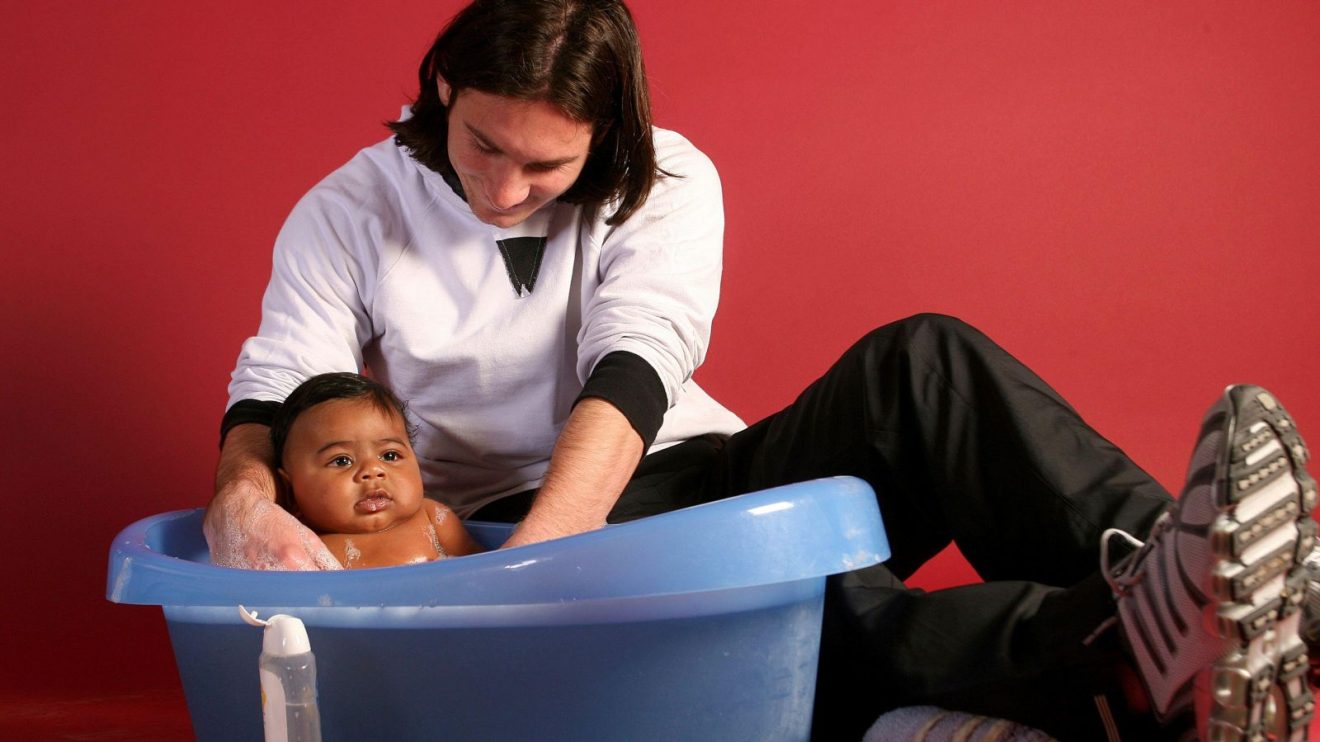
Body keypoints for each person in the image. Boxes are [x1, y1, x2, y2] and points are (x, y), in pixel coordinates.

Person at [202, 1, 1318, 739]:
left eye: (543, 165)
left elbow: (635, 364)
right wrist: (244, 505)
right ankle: (1132, 651)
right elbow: (274, 386)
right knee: (828, 622)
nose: (502, 188)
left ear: (609, 135)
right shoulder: (346, 210)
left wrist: (548, 562)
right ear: (445, 85)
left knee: (923, 359)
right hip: (506, 529)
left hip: (669, 469)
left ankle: (1211, 579)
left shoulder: (670, 177)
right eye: (483, 145)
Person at [270, 372, 484, 568]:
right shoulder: (297, 545)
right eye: (342, 460)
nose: (373, 470)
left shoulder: (435, 520)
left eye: (390, 455)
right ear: (290, 491)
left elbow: (483, 576)